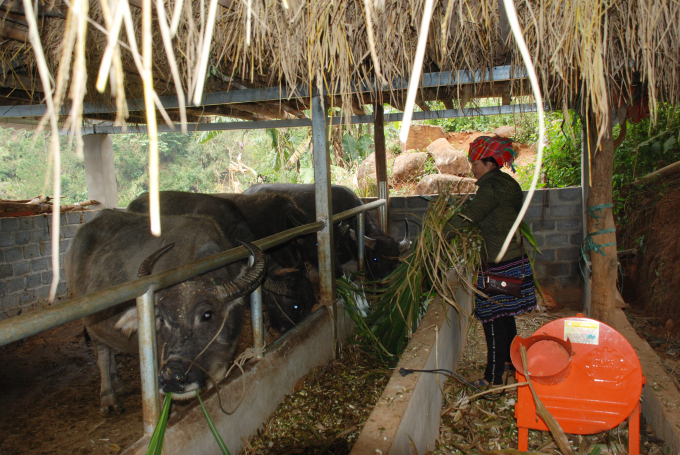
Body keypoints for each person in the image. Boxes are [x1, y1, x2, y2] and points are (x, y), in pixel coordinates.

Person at [445, 135, 537, 387]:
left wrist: (441, 232)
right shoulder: (508, 183)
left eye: (475, 164)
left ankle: (493, 379)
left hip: (499, 266)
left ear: (489, 164)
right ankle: (509, 361)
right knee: (505, 314)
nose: (472, 169)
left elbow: (471, 216)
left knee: (493, 318)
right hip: (513, 260)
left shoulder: (491, 187)